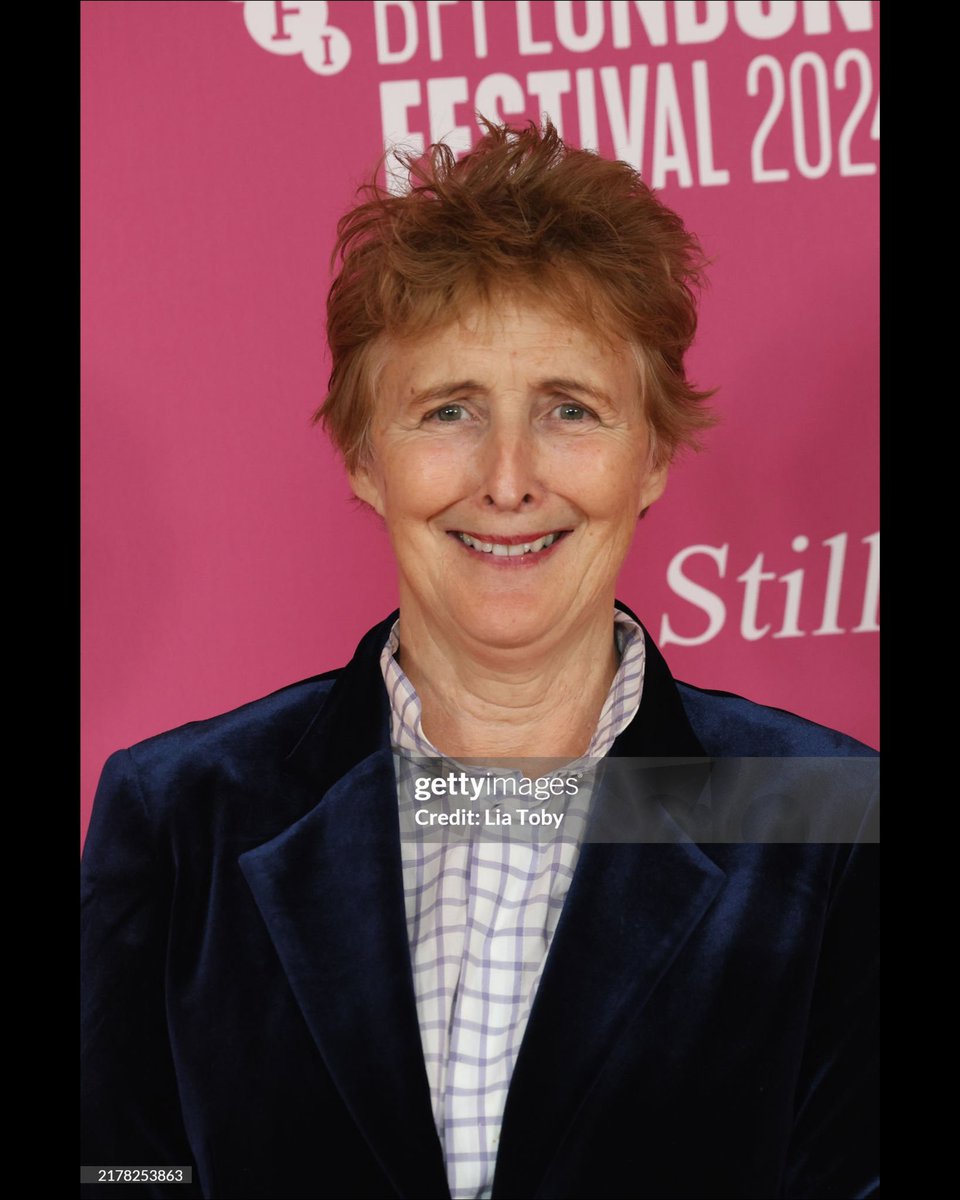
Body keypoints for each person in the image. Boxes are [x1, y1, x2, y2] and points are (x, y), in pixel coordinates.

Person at [81, 121, 878, 1199]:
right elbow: (118, 1179)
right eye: (448, 410)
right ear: (365, 455)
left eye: (570, 410)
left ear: (652, 454)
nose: (508, 480)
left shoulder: (823, 818)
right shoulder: (180, 818)